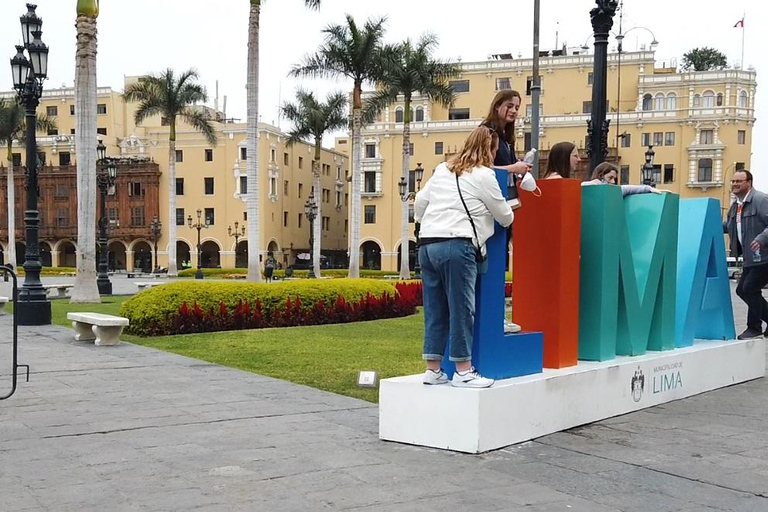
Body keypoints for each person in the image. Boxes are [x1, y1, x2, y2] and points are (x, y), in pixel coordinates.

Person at [415, 126, 515, 388]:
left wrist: (425, 222)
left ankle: (433, 369)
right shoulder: (485, 175)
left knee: (435, 309)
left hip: (427, 243)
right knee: (461, 308)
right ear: (490, 150)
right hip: (456, 244)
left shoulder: (441, 169)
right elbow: (504, 215)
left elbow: (420, 203)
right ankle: (463, 370)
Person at [481, 89, 532, 334]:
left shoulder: (506, 137)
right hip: (490, 207)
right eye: (510, 105)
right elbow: (480, 167)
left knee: (500, 262)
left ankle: (497, 314)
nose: (513, 111)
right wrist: (513, 167)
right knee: (492, 262)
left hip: (505, 205)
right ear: (498, 105)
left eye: (517, 108)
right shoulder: (486, 133)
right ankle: (492, 315)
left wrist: (518, 169)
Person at [724, 170, 768, 339]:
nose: (735, 184)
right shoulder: (736, 206)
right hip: (751, 258)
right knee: (747, 289)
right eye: (733, 181)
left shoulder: (760, 200)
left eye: (739, 181)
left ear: (749, 182)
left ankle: (755, 326)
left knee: (747, 289)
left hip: (764, 256)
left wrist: (762, 238)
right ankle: (754, 327)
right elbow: (731, 226)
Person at [583, 162, 667, 196]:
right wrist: (593, 184)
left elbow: (628, 188)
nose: (613, 182)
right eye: (610, 178)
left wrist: (649, 188)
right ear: (600, 176)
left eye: (614, 179)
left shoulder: (614, 192)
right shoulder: (588, 187)